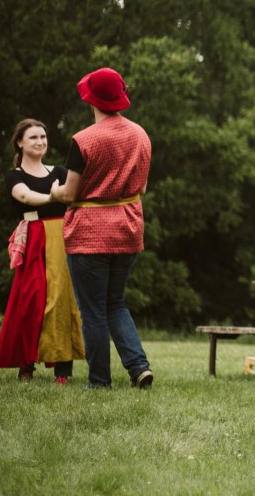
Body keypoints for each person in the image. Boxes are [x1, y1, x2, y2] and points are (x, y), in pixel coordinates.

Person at [50, 68, 154, 390]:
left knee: (93, 310)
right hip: (128, 229)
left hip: (89, 234)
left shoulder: (84, 140)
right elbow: (143, 187)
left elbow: (68, 194)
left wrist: (54, 189)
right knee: (116, 303)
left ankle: (99, 382)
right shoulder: (141, 135)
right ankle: (139, 367)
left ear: (90, 99)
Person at [0, 119, 85, 383]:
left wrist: (62, 194)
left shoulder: (59, 172)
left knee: (61, 300)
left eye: (43, 137)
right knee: (31, 300)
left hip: (63, 239)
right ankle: (26, 364)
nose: (40, 141)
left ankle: (63, 370)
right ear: (20, 142)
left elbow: (79, 194)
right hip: (34, 239)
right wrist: (55, 197)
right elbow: (24, 197)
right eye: (33, 137)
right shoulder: (15, 176)